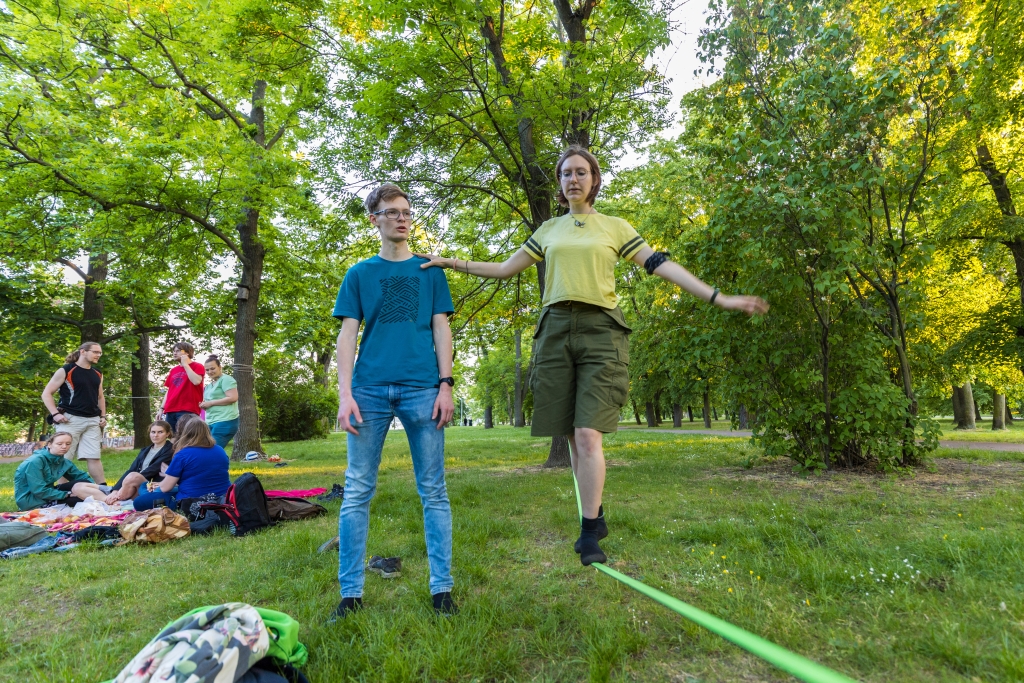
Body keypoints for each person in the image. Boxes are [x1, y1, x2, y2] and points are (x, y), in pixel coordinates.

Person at [420, 145, 769, 566]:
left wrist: (719, 297)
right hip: (554, 331)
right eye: (566, 173)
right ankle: (595, 513)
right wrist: (451, 263)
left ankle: (589, 534)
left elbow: (661, 265)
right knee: (568, 432)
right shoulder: (548, 230)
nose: (573, 180)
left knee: (588, 433)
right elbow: (504, 268)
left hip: (602, 331)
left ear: (595, 179)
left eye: (581, 172)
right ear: (560, 183)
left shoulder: (616, 227)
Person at [330, 183, 457, 620]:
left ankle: (442, 590)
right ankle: (351, 595)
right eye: (392, 212)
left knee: (434, 490)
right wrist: (344, 395)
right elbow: (347, 335)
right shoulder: (359, 274)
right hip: (368, 391)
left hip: (424, 389)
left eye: (406, 211)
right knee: (357, 491)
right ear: (375, 220)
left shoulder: (430, 269)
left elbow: (442, 329)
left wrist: (446, 385)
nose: (402, 217)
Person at [41, 341, 108, 484]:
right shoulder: (66, 370)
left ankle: (104, 490)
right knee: (64, 457)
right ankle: (61, 494)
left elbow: (100, 397)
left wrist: (103, 416)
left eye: (100, 352)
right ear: (83, 351)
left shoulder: (97, 373)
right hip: (70, 420)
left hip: (92, 421)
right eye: (95, 352)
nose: (98, 355)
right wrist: (55, 414)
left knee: (94, 457)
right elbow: (46, 393)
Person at [132, 419, 231, 512]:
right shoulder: (220, 450)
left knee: (141, 496)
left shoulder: (183, 454)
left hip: (191, 501)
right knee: (149, 486)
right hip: (221, 497)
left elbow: (165, 488)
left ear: (186, 433)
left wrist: (160, 484)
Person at [14, 433, 109, 510]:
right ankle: (109, 502)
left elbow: (82, 478)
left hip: (48, 493)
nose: (64, 447)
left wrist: (96, 489)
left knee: (84, 484)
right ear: (49, 444)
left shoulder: (63, 461)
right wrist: (67, 494)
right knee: (82, 499)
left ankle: (109, 496)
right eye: (59, 444)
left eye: (68, 444)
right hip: (32, 500)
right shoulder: (35, 462)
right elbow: (38, 490)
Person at [104, 421, 175, 504]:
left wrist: (131, 480)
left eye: (160, 432)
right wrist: (115, 490)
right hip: (133, 484)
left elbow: (152, 470)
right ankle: (115, 499)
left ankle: (116, 500)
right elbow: (131, 469)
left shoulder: (170, 450)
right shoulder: (145, 450)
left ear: (167, 434)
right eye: (153, 432)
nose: (155, 435)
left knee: (133, 476)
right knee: (86, 487)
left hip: (151, 485)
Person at [159, 342, 205, 432]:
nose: (174, 353)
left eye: (178, 351)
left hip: (187, 409)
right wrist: (161, 408)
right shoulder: (173, 370)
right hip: (170, 410)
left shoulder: (197, 366)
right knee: (173, 438)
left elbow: (196, 381)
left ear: (187, 353)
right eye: (174, 351)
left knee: (186, 437)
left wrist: (185, 365)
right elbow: (169, 391)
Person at [200, 355, 239, 449]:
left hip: (225, 421)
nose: (210, 372)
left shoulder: (226, 379)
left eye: (212, 368)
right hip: (210, 422)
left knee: (212, 450)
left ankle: (220, 463)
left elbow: (233, 397)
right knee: (205, 449)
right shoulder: (209, 386)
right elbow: (209, 402)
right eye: (207, 370)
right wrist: (204, 405)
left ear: (220, 367)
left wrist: (211, 403)